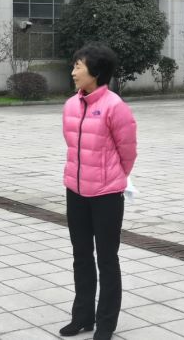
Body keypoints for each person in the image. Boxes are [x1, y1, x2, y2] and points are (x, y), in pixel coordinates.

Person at [59, 43, 137, 340]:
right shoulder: (70, 105)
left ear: (96, 71)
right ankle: (82, 316)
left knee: (107, 258)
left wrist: (112, 177)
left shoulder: (116, 106)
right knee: (81, 255)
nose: (73, 72)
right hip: (75, 191)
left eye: (78, 66)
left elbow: (128, 152)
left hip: (106, 195)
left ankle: (106, 323)